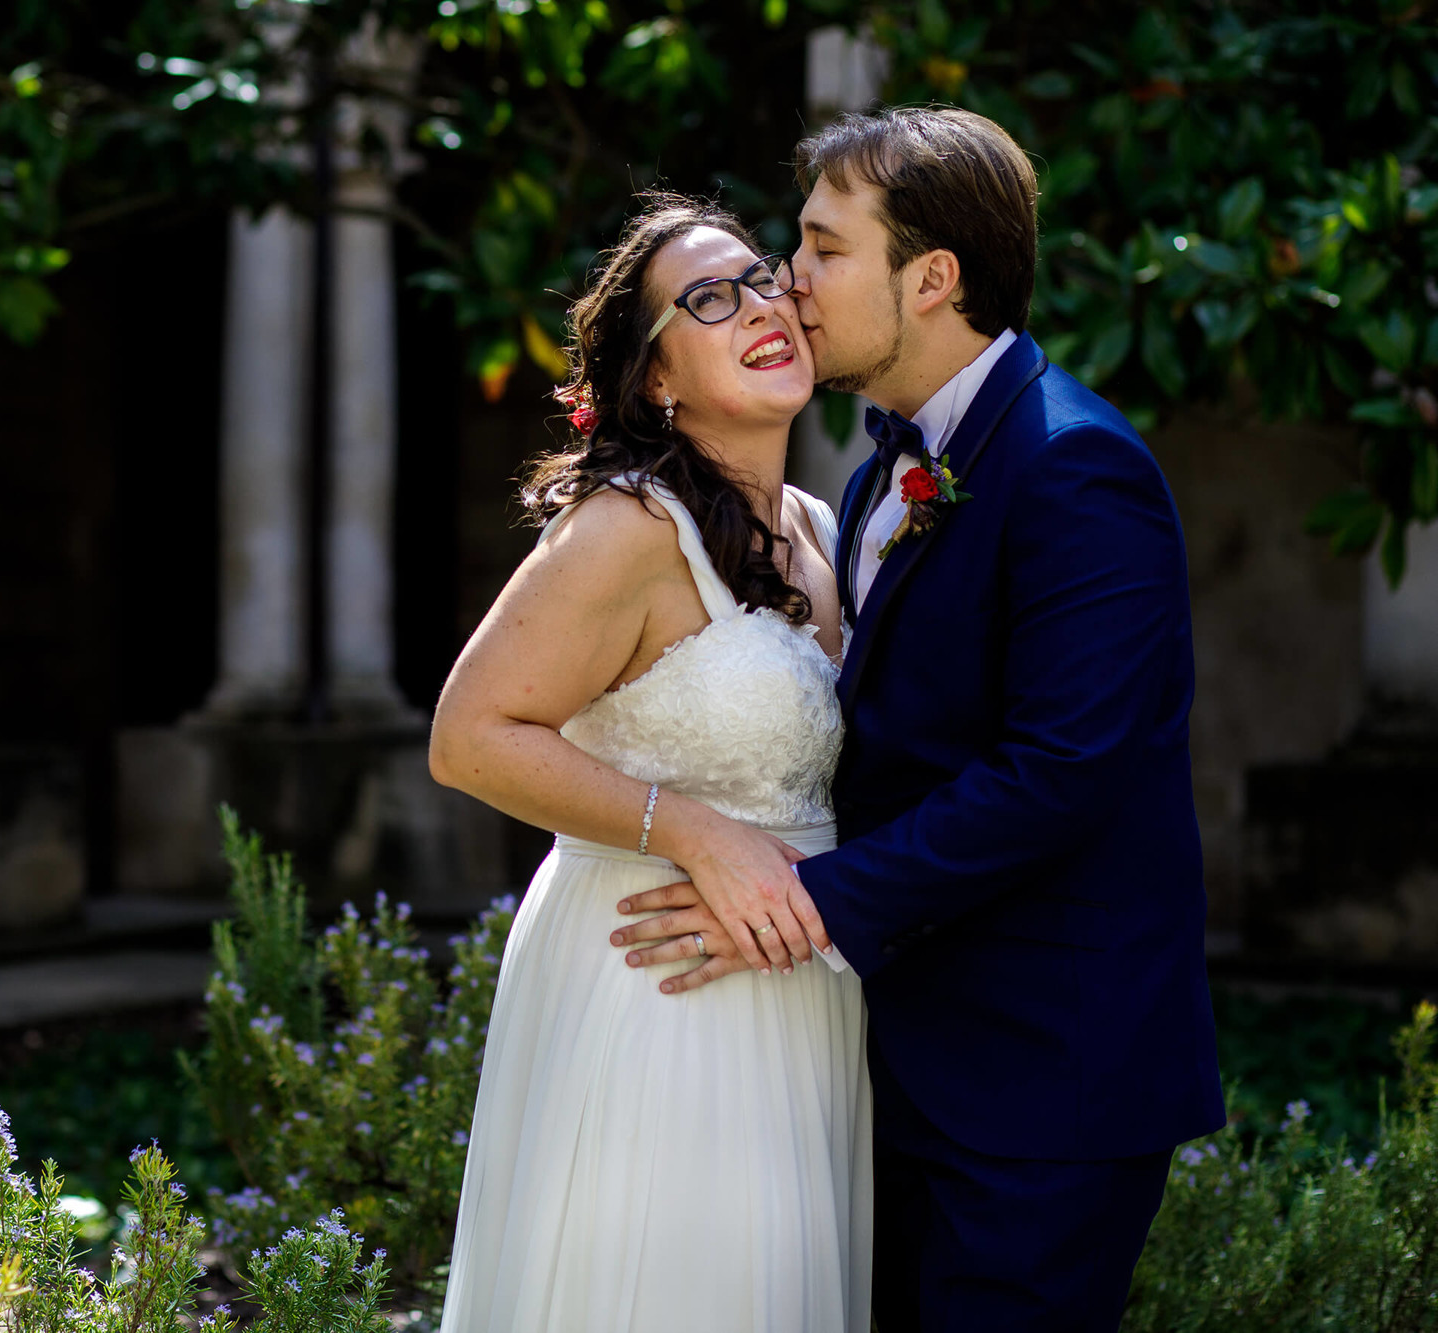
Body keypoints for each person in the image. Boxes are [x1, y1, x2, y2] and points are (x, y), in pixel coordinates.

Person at [612, 107, 1226, 1329]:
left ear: (930, 278)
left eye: (822, 249)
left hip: (1042, 1083)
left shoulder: (1074, 470)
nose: (787, 281)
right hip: (895, 1062)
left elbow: (1059, 773)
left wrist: (801, 905)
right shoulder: (874, 472)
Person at [428, 195, 870, 1332]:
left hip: (806, 994)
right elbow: (469, 735)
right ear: (655, 379)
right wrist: (691, 829)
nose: (759, 304)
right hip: (655, 982)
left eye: (761, 277)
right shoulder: (626, 527)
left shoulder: (824, 527)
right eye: (708, 299)